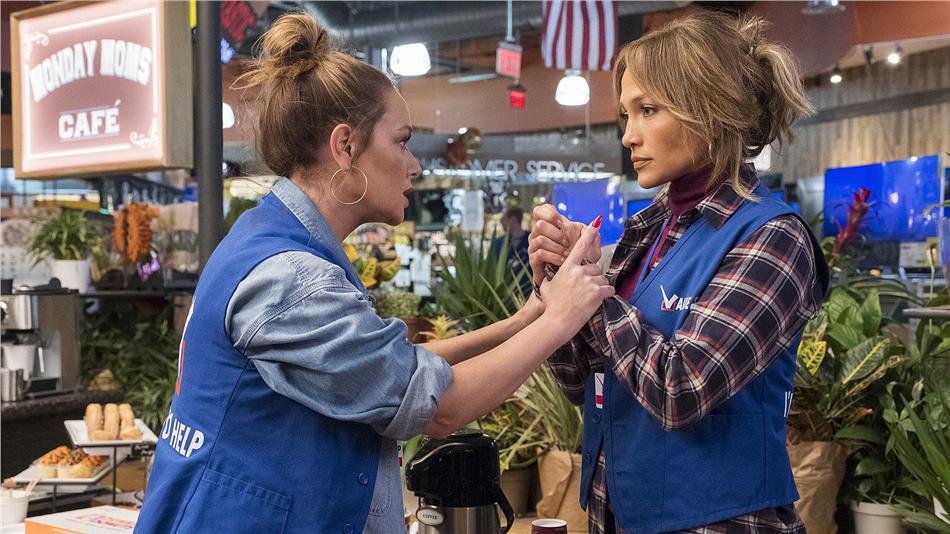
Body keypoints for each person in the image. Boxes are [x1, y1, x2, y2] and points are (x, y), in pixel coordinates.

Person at [135, 13, 613, 534]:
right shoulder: (294, 281)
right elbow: (440, 408)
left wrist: (527, 318)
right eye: (402, 141)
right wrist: (561, 319)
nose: (415, 165)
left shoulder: (265, 238)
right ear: (345, 146)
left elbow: (391, 369)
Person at [528, 10, 829, 534]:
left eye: (648, 110)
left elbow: (681, 388)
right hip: (617, 512)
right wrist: (558, 280)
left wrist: (590, 292)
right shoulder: (648, 232)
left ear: (709, 110)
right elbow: (581, 383)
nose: (628, 136)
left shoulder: (771, 238)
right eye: (626, 114)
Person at [494, 206, 533, 295]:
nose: (501, 222)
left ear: (513, 219)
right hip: (505, 293)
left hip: (528, 292)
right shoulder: (499, 242)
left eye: (503, 219)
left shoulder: (531, 240)